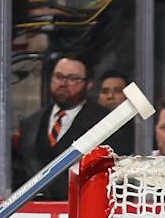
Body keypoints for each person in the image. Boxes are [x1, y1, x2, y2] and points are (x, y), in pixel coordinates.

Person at [15, 55, 110, 198]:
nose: (63, 83)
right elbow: (18, 170)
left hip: (81, 209)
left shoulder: (106, 123)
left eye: (72, 78)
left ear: (89, 84)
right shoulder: (30, 123)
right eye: (58, 76)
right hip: (33, 212)